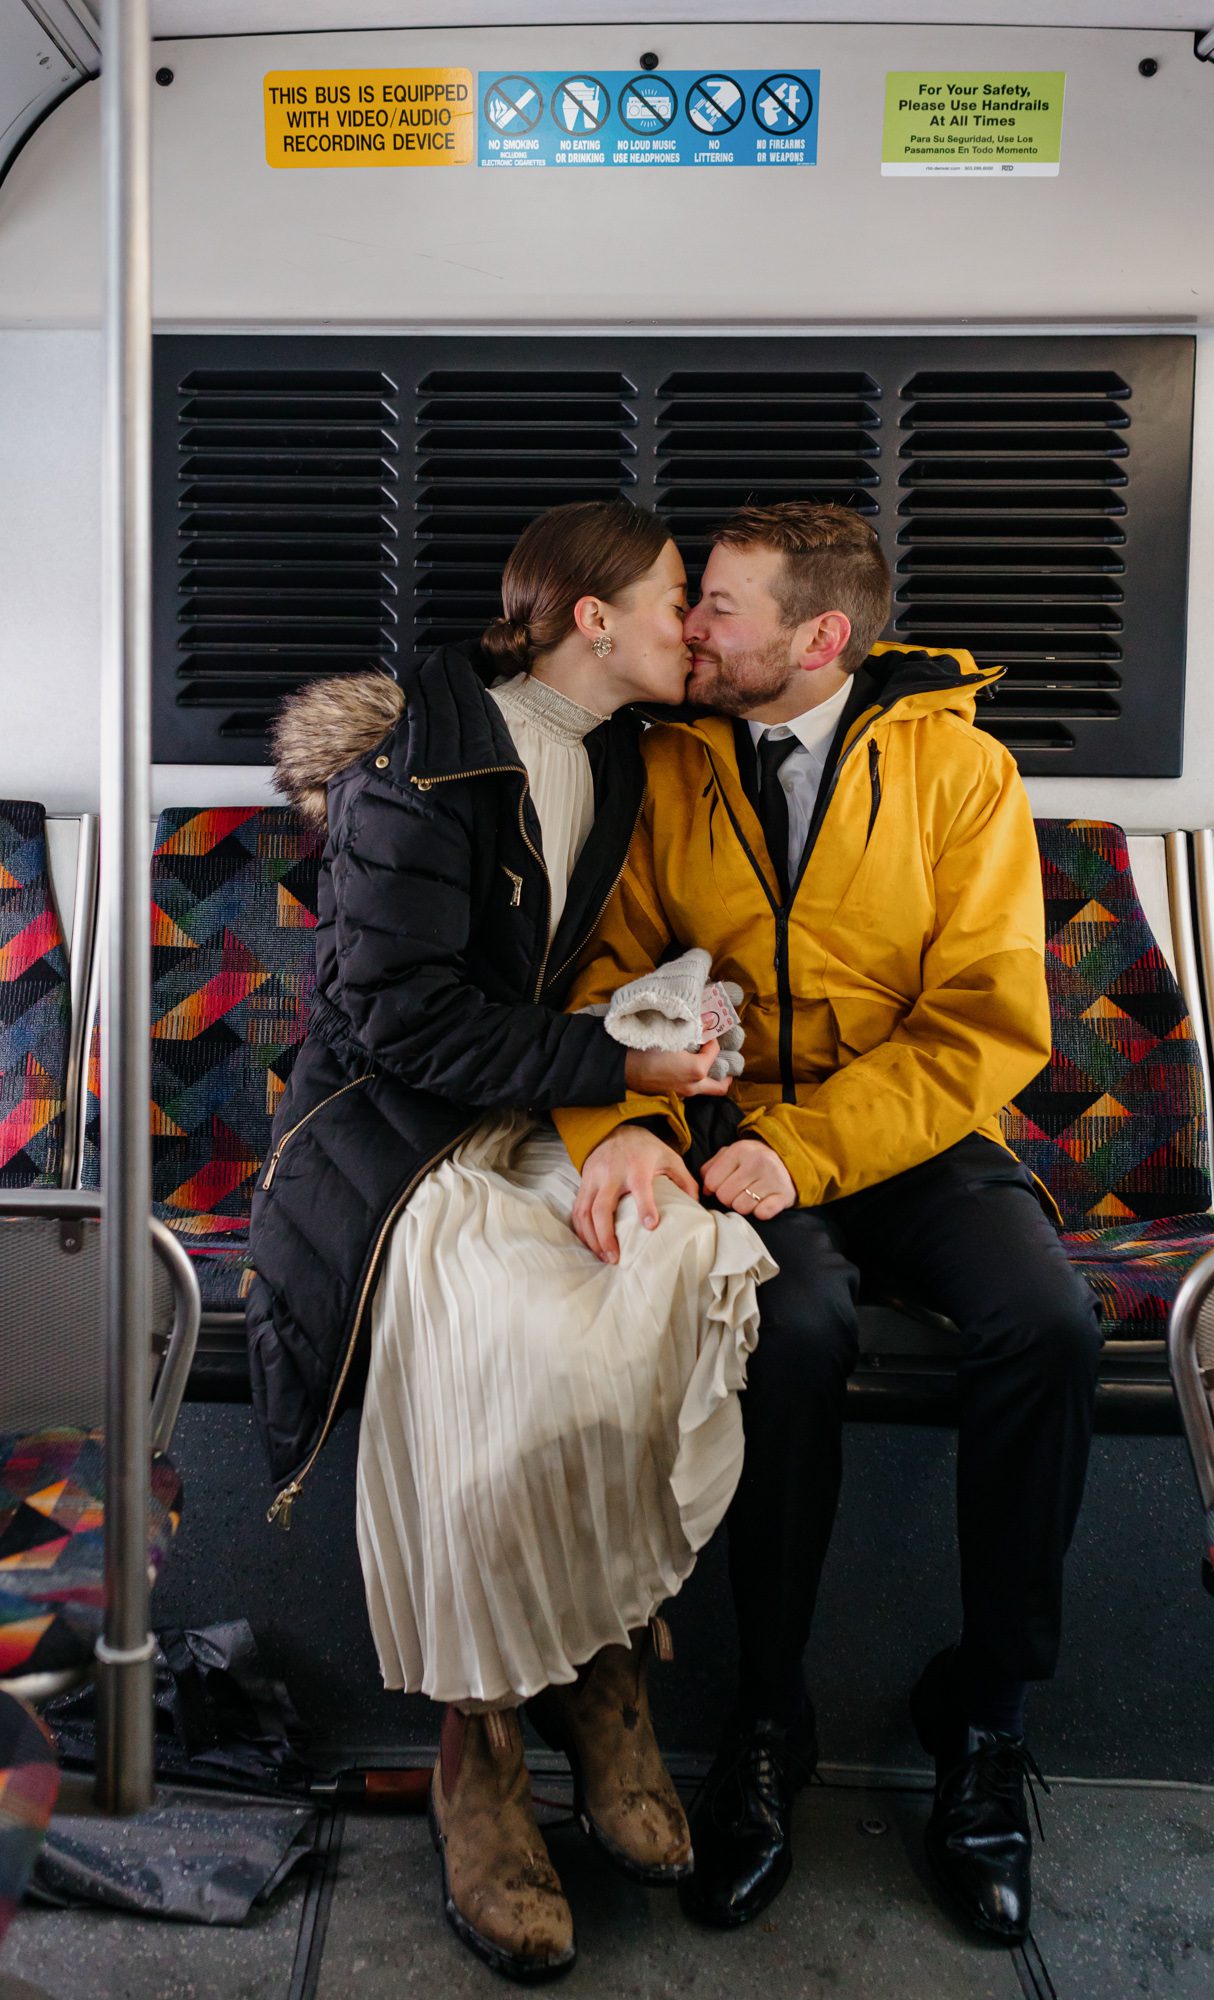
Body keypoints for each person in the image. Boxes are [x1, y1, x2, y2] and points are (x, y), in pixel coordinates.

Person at [554, 500, 1103, 1945]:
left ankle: (985, 1717)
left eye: (717, 606)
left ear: (820, 638)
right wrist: (636, 1115)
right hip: (729, 1126)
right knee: (788, 1330)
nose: (688, 627)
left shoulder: (960, 769)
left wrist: (805, 1149)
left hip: (912, 1132)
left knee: (1049, 1324)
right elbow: (604, 970)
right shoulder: (658, 761)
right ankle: (766, 1719)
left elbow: (986, 1020)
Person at [246, 499, 776, 1984]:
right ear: (592, 618)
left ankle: (600, 1667)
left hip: (543, 1105)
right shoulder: (417, 765)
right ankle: (477, 1739)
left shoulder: (618, 753)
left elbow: (586, 967)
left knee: (667, 1267)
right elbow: (398, 1022)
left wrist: (654, 1060)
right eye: (676, 599)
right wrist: (618, 1066)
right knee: (504, 1335)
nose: (695, 629)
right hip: (394, 1132)